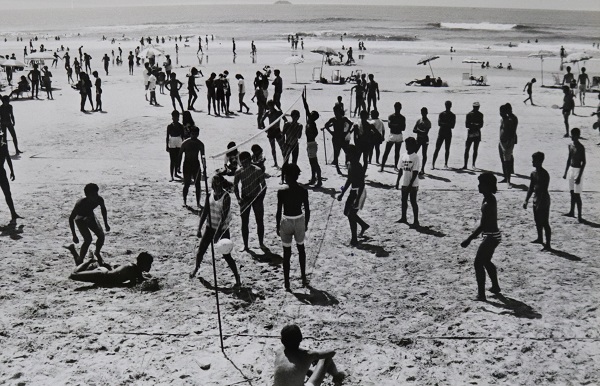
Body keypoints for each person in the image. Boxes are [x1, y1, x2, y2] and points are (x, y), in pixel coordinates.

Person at [190, 175, 241, 288]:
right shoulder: (210, 195)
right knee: (200, 251)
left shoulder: (226, 196)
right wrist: (199, 228)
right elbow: (205, 212)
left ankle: (237, 277)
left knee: (226, 255)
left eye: (216, 183)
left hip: (222, 230)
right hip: (209, 227)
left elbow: (223, 217)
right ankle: (196, 269)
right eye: (213, 183)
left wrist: (217, 234)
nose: (214, 185)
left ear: (220, 184)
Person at [461, 172, 502, 302]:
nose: (478, 186)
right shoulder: (488, 198)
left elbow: (482, 226)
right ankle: (495, 287)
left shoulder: (488, 202)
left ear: (487, 186)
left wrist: (469, 239)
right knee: (486, 261)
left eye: (481, 184)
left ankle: (481, 295)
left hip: (491, 237)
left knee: (478, 263)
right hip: (492, 236)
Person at [273, 324, 346, 386]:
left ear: (282, 340)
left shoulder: (278, 351)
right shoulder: (308, 355)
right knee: (325, 358)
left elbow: (290, 366)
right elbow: (332, 353)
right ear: (300, 339)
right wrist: (314, 357)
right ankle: (337, 377)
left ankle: (306, 372)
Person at [276, 164, 310, 290]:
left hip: (286, 221)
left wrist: (277, 225)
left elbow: (279, 211)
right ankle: (303, 277)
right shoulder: (303, 190)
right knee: (301, 249)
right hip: (299, 219)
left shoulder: (282, 191)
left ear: (287, 176)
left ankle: (287, 282)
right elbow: (307, 209)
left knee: (286, 253)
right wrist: (305, 224)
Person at [68, 183, 110, 266]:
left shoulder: (99, 199)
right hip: (80, 219)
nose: (95, 196)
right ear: (87, 195)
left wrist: (106, 223)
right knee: (88, 240)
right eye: (93, 195)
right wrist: (74, 235)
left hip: (90, 216)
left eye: (96, 193)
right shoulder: (80, 204)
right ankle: (80, 258)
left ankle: (97, 252)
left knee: (101, 236)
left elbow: (103, 210)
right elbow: (71, 218)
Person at [234, 151, 266, 251]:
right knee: (244, 222)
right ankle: (246, 245)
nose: (244, 164)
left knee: (259, 221)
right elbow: (235, 186)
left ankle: (261, 243)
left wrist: (260, 198)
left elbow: (264, 186)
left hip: (256, 198)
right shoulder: (239, 172)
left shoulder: (257, 170)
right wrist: (239, 199)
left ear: (250, 160)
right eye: (242, 162)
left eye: (246, 161)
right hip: (245, 198)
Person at [338, 145, 369, 246]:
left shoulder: (358, 166)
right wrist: (342, 193)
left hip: (358, 192)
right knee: (347, 212)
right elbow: (349, 179)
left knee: (351, 215)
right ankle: (363, 225)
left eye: (349, 154)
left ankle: (354, 239)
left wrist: (357, 199)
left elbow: (362, 183)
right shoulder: (350, 164)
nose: (347, 155)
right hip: (353, 191)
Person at [69, 252, 153, 287]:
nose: (150, 267)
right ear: (143, 264)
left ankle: (76, 253)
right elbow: (132, 284)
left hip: (104, 275)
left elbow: (141, 279)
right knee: (73, 275)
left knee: (80, 274)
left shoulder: (136, 269)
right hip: (102, 275)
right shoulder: (132, 269)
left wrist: (150, 279)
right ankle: (89, 261)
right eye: (149, 264)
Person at [523, 152, 551, 250]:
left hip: (543, 200)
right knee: (537, 220)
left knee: (545, 222)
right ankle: (540, 238)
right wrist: (526, 200)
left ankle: (548, 244)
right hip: (536, 198)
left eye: (534, 160)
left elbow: (543, 190)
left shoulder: (544, 174)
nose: (532, 162)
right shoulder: (533, 174)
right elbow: (531, 188)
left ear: (540, 161)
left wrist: (539, 203)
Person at [395, 137, 420, 227]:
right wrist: (397, 181)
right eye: (406, 145)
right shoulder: (403, 155)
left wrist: (411, 184)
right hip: (404, 182)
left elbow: (415, 172)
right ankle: (403, 217)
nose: (407, 147)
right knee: (403, 200)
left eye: (409, 145)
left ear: (413, 146)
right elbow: (401, 170)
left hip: (413, 184)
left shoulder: (415, 157)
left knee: (413, 201)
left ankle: (416, 221)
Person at [563, 128, 586, 222]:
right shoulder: (570, 145)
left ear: (577, 136)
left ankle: (579, 215)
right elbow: (569, 159)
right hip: (571, 169)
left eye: (573, 135)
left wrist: (579, 176)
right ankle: (572, 211)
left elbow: (584, 162)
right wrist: (565, 172)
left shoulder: (581, 147)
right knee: (572, 192)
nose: (571, 137)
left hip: (578, 170)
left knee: (577, 194)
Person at [179, 126, 205, 207]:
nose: (194, 136)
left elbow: (202, 156)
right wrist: (178, 166)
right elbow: (180, 155)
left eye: (196, 134)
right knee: (187, 183)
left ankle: (198, 202)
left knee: (198, 184)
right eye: (193, 134)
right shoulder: (185, 143)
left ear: (198, 134)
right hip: (187, 164)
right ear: (190, 134)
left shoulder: (200, 144)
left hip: (196, 165)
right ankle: (184, 201)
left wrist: (204, 166)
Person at [323, 108, 353, 174]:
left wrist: (347, 132)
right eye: (334, 112)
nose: (335, 113)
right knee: (336, 153)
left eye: (336, 112)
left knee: (347, 152)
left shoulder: (343, 118)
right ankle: (337, 168)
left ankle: (348, 166)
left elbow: (351, 123)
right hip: (336, 137)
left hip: (342, 137)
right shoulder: (333, 119)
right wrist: (331, 132)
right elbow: (326, 125)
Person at [302, 90, 322, 186]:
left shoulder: (312, 123)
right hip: (310, 144)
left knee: (314, 163)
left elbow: (306, 108)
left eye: (311, 113)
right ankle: (313, 178)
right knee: (312, 163)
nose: (309, 113)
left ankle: (319, 180)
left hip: (312, 144)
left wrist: (303, 99)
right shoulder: (310, 122)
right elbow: (307, 109)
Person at [380, 102, 405, 172]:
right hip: (395, 134)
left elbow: (403, 128)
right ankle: (383, 166)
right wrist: (398, 125)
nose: (397, 109)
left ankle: (394, 166)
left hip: (396, 134)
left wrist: (394, 125)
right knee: (387, 151)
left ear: (400, 108)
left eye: (398, 107)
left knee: (396, 152)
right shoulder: (397, 117)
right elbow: (390, 126)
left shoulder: (393, 117)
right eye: (396, 107)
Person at [0, 139, 21, 224]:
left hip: (2, 172)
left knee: (8, 193)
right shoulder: (3, 146)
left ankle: (13, 213)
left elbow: (8, 158)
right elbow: (8, 158)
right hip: (2, 172)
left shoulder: (4, 146)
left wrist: (12, 171)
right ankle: (13, 213)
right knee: (7, 193)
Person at [498, 103, 518, 188]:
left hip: (507, 142)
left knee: (507, 161)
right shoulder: (504, 119)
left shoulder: (511, 119)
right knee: (503, 159)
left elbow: (512, 132)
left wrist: (508, 142)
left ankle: (508, 180)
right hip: (502, 141)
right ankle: (505, 177)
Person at [432, 101, 455, 170]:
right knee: (438, 148)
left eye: (448, 105)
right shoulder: (443, 114)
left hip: (445, 132)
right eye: (447, 105)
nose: (447, 106)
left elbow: (452, 126)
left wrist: (444, 124)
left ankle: (445, 163)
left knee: (446, 148)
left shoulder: (450, 115)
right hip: (444, 132)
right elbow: (440, 123)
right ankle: (433, 164)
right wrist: (447, 124)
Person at [463, 102, 484, 169]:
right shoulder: (469, 114)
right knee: (468, 149)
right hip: (474, 132)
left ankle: (472, 164)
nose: (476, 108)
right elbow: (467, 125)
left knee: (474, 149)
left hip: (474, 132)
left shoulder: (479, 115)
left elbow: (481, 125)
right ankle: (466, 165)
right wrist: (476, 125)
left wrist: (473, 125)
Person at [166, 110, 184, 181]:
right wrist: (167, 145)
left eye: (177, 117)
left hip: (179, 141)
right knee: (172, 159)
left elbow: (183, 136)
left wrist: (183, 145)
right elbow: (167, 136)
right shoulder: (169, 126)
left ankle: (176, 172)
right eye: (174, 117)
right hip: (172, 141)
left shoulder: (180, 126)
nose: (176, 119)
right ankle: (171, 175)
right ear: (172, 118)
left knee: (177, 158)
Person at [413, 107, 431, 175]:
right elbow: (414, 130)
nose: (423, 114)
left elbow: (425, 132)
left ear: (426, 113)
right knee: (414, 153)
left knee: (424, 154)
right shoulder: (419, 120)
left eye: (424, 112)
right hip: (419, 139)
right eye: (422, 112)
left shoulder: (428, 122)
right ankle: (414, 167)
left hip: (425, 139)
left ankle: (422, 169)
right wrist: (420, 131)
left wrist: (418, 130)